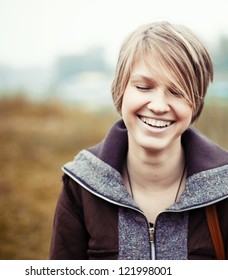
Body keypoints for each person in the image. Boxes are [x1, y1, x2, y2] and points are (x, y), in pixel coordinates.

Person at [50, 21, 228, 260]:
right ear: (121, 90)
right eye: (144, 87)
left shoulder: (224, 188)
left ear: (195, 102)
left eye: (177, 92)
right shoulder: (80, 186)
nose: (158, 105)